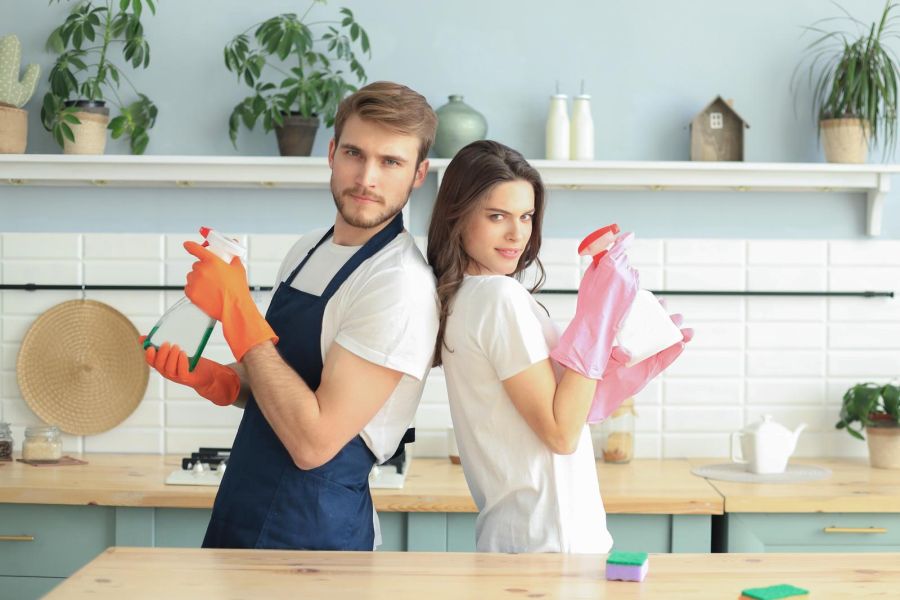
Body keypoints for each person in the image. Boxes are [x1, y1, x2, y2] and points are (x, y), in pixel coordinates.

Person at [141, 81, 440, 551]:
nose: (367, 178)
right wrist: (218, 380)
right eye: (355, 154)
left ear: (419, 173)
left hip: (314, 534)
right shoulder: (308, 249)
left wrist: (237, 310)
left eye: (391, 162)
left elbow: (313, 443)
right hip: (243, 506)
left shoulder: (398, 284)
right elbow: (279, 383)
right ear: (331, 153)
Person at [427, 140, 691, 553]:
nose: (517, 233)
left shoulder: (472, 297)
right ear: (456, 217)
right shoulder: (498, 298)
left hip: (533, 542)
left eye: (526, 216)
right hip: (548, 548)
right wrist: (596, 318)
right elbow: (560, 433)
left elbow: (554, 410)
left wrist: (615, 368)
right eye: (497, 216)